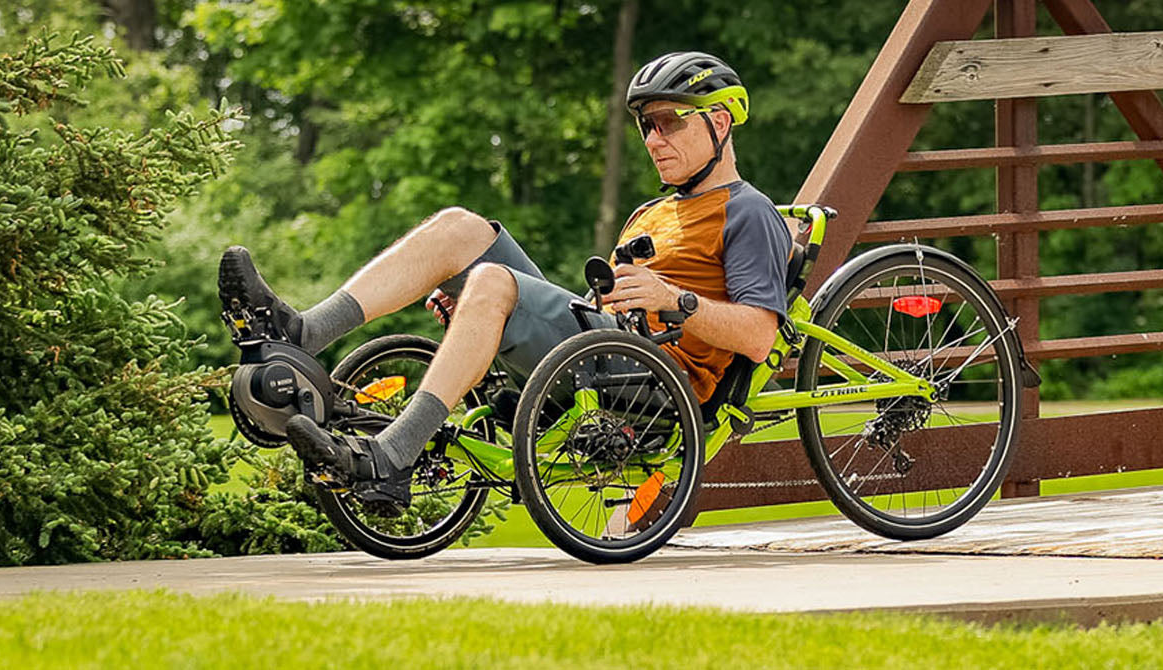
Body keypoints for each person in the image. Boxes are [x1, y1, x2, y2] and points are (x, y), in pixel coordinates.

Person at [217, 52, 792, 514]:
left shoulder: (747, 212)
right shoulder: (650, 213)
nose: (654, 138)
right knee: (459, 228)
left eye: (670, 121)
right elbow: (600, 306)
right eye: (646, 125)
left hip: (657, 381)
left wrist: (675, 299)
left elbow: (760, 337)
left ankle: (393, 455)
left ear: (719, 122)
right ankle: (302, 332)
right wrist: (475, 315)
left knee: (494, 278)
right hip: (603, 351)